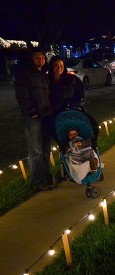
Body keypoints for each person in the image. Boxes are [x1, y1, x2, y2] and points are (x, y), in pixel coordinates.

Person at [15, 48, 55, 191]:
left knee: (45, 149)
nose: (41, 60)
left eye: (43, 57)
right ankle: (38, 181)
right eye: (38, 57)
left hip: (46, 116)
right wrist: (30, 111)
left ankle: (47, 176)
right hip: (33, 117)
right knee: (36, 150)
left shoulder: (43, 75)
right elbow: (21, 95)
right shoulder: (25, 74)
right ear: (31, 58)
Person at [47, 56, 99, 150]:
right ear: (51, 67)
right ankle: (66, 150)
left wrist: (75, 104)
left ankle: (92, 146)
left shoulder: (72, 79)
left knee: (93, 125)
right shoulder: (47, 82)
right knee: (54, 130)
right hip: (56, 111)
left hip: (74, 108)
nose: (59, 68)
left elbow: (81, 94)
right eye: (56, 65)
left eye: (61, 65)